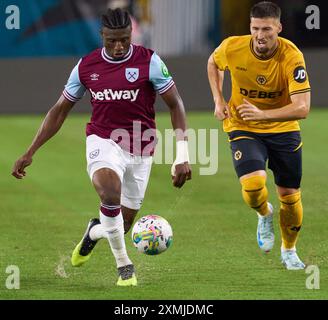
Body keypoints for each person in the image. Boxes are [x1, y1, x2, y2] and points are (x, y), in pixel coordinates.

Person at [12, 8, 191, 286]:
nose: (118, 47)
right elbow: (59, 110)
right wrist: (31, 151)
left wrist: (182, 155)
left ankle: (93, 232)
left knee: (122, 224)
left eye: (124, 40)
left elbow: (175, 104)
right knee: (109, 194)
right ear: (102, 36)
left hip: (141, 148)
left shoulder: (150, 62)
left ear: (131, 35)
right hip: (103, 139)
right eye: (111, 41)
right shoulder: (87, 66)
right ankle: (125, 267)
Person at [207, 1, 310, 270]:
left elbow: (302, 108)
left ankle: (289, 251)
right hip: (243, 126)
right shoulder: (232, 46)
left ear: (279, 28)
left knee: (289, 195)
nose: (260, 35)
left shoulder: (292, 56)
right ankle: (264, 214)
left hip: (283, 130)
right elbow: (213, 62)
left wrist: (263, 115)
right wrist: (218, 99)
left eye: (267, 29)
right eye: (255, 28)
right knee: (253, 187)